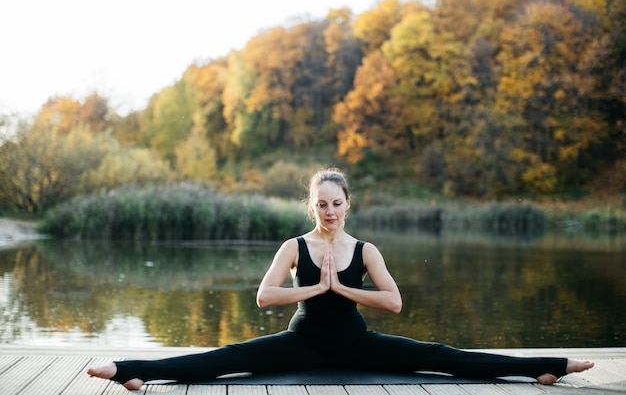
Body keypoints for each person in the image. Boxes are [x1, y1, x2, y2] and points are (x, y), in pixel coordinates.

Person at [88, 168, 594, 390]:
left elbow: (393, 303)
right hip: (300, 342)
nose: (329, 212)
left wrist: (343, 288)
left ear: (348, 203)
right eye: (321, 204)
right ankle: (135, 370)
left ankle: (543, 367)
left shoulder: (365, 249)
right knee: (228, 358)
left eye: (337, 203)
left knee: (438, 356)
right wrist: (314, 288)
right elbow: (264, 297)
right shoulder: (294, 246)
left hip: (356, 342)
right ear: (313, 205)